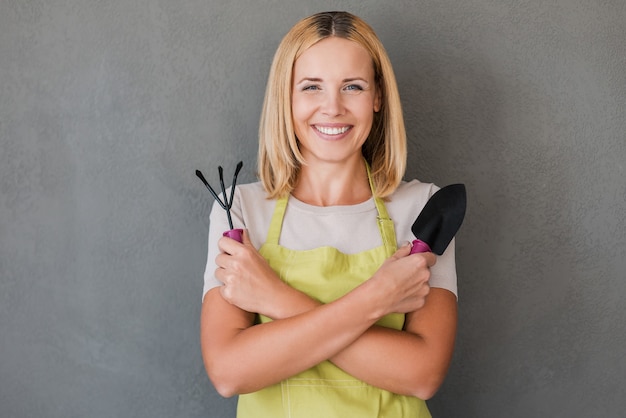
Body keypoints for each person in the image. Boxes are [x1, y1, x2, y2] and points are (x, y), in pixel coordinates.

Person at [200, 11, 458, 418]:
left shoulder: (423, 208)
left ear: (377, 97)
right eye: (311, 87)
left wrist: (275, 297)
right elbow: (229, 372)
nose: (332, 107)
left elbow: (422, 374)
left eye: (352, 87)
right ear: (287, 98)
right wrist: (377, 298)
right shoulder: (239, 210)